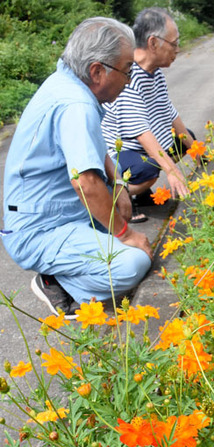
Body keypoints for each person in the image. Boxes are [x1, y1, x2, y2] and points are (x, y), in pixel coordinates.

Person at [2, 17, 152, 318]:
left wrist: (119, 184)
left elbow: (92, 151)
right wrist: (125, 235)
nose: (129, 79)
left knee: (124, 236)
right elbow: (86, 183)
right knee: (133, 262)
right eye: (126, 70)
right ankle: (56, 283)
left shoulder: (67, 82)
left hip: (60, 214)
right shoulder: (76, 105)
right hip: (41, 229)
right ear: (97, 71)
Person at [101, 7, 200, 223]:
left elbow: (169, 111)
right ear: (153, 43)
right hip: (119, 152)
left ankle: (142, 193)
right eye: (174, 44)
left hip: (142, 146)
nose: (178, 49)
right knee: (149, 167)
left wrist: (197, 150)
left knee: (185, 138)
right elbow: (140, 132)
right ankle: (119, 196)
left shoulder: (155, 72)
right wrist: (172, 171)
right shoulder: (128, 75)